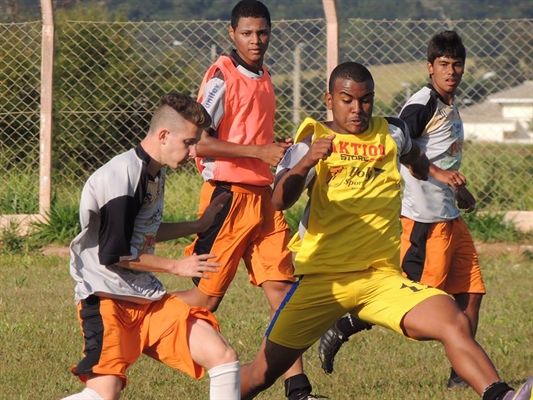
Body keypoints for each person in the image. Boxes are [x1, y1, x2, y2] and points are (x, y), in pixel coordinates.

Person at [238, 62, 532, 400]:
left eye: (366, 100)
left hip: (380, 279)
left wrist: (447, 182)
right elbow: (278, 200)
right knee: (262, 373)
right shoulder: (313, 139)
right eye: (347, 100)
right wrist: (306, 163)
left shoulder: (393, 132)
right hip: (324, 281)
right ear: (329, 99)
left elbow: (416, 161)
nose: (357, 109)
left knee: (454, 321)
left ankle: (503, 396)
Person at [318, 30, 484, 390]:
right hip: (424, 222)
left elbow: (444, 154)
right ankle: (345, 324)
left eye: (457, 65)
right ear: (430, 67)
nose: (451, 71)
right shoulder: (421, 104)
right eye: (443, 65)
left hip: (450, 218)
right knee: (413, 301)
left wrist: (461, 191)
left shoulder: (449, 104)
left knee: (472, 293)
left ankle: (462, 373)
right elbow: (402, 147)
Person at [171, 2, 316, 399]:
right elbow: (198, 141)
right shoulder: (221, 75)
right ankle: (133, 312)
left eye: (262, 33)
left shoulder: (265, 74)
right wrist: (258, 153)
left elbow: (254, 137)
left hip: (265, 201)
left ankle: (297, 388)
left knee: (283, 292)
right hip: (228, 200)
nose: (255, 40)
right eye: (248, 33)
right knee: (205, 299)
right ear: (232, 34)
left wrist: (275, 150)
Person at [63, 93, 240, 400]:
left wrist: (198, 226)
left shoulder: (154, 173)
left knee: (222, 356)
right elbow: (114, 253)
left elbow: (143, 233)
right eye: (188, 142)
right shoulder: (122, 176)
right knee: (105, 393)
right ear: (163, 135)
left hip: (147, 299)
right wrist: (176, 266)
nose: (193, 151)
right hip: (108, 301)